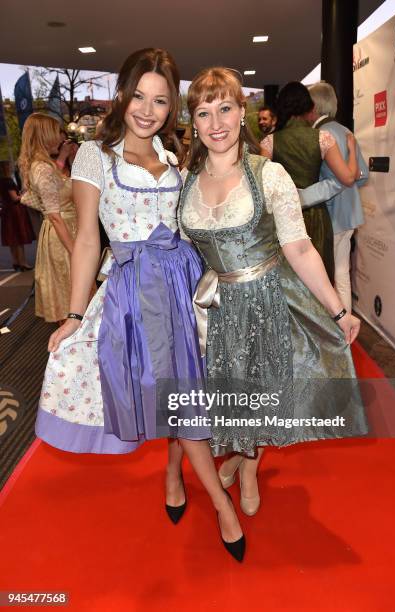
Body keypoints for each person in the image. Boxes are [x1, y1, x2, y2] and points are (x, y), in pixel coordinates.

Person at [35, 49, 245, 562]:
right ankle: (223, 506)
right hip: (136, 294)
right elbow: (87, 239)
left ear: (172, 105)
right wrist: (75, 313)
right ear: (123, 95)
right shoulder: (95, 157)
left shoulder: (174, 160)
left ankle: (174, 475)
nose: (148, 110)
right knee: (180, 396)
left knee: (188, 391)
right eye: (139, 97)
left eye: (160, 100)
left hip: (186, 287)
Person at [179, 67, 368, 518]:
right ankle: (243, 459)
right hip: (215, 307)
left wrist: (339, 311)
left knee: (264, 394)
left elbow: (300, 248)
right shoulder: (185, 180)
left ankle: (248, 468)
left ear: (241, 111)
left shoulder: (269, 174)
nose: (216, 122)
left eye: (225, 108)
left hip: (267, 299)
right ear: (194, 121)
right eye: (204, 113)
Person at [261, 82, 360, 284]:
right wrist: (352, 148)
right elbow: (348, 178)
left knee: (288, 282)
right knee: (320, 279)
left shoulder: (270, 142)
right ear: (309, 108)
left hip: (283, 218)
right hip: (317, 218)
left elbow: (262, 187)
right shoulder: (323, 138)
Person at [302, 81, 369, 312]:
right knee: (341, 274)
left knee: (324, 277)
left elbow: (341, 179)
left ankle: (334, 331)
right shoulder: (345, 131)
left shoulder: (321, 135)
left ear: (313, 106)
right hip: (350, 214)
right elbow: (361, 175)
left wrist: (302, 197)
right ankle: (345, 329)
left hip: (330, 217)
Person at [19, 114, 78, 323]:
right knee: (74, 303)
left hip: (66, 231)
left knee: (74, 301)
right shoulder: (42, 168)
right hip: (63, 238)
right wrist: (75, 251)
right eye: (55, 134)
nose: (60, 139)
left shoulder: (45, 165)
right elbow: (55, 216)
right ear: (44, 136)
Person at [0, 160, 34, 271]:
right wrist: (24, 194)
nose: (11, 168)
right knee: (18, 238)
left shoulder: (1, 181)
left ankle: (15, 262)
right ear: (6, 169)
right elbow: (15, 198)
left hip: (6, 211)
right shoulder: (8, 181)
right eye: (9, 166)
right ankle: (23, 263)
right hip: (15, 212)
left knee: (11, 238)